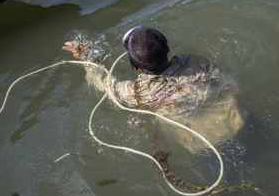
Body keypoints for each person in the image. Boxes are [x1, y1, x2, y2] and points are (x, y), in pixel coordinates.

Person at [62, 26, 245, 153]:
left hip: (204, 146)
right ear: (167, 47)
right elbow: (228, 83)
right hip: (239, 123)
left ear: (135, 66)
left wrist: (84, 56)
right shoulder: (193, 60)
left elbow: (103, 82)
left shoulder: (136, 92)